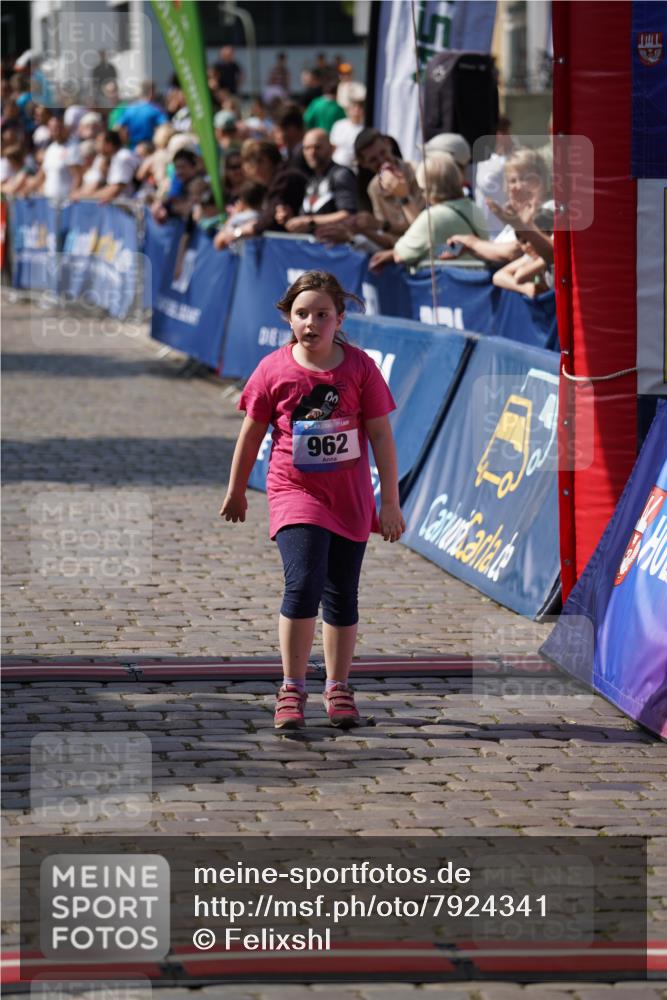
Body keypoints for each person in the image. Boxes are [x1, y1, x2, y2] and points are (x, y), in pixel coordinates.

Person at [219, 270, 405, 729]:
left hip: (350, 496)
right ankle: (292, 688)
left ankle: (339, 688)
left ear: (339, 319)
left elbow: (381, 434)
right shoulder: (273, 369)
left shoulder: (360, 367)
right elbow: (251, 432)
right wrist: (236, 489)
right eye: (302, 314)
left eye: (322, 314)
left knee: (342, 593)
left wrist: (391, 503)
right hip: (294, 491)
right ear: (288, 319)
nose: (311, 322)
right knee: (303, 582)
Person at [369, 152, 488, 271]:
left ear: (428, 189)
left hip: (445, 287)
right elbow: (451, 249)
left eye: (422, 189)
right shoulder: (475, 208)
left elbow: (400, 254)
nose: (423, 194)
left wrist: (403, 197)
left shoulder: (433, 217)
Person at [280, 128, 357, 233]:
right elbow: (311, 216)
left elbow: (349, 215)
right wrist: (291, 219)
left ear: (331, 149)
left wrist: (309, 222)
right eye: (307, 148)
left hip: (335, 246)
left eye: (317, 147)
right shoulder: (312, 179)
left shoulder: (341, 175)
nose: (312, 152)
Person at [117, 80, 167, 149]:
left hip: (134, 148)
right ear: (151, 92)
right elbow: (165, 126)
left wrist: (125, 142)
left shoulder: (130, 109)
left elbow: (118, 127)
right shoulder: (155, 109)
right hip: (150, 147)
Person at [329, 84, 365, 168]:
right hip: (336, 167)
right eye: (353, 106)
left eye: (360, 106)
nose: (356, 110)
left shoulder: (365, 128)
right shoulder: (339, 125)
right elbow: (333, 146)